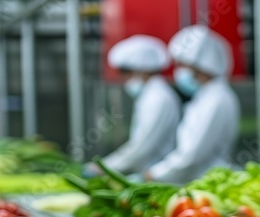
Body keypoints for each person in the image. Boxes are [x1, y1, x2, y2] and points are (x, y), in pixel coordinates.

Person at [144, 26, 240, 183]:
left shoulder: (217, 99)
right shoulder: (204, 96)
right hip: (196, 180)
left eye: (182, 65)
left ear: (201, 64)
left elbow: (191, 154)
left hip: (208, 181)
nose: (179, 72)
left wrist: (155, 173)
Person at [94, 35, 180, 176]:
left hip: (156, 174)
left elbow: (141, 147)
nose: (122, 79)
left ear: (143, 70)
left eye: (125, 72)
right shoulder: (150, 95)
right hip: (149, 170)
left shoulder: (158, 98)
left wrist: (104, 167)